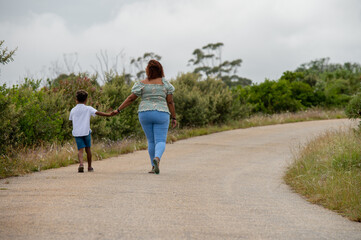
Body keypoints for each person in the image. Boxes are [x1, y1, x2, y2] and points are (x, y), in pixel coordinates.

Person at [112, 59, 176, 174]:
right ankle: (157, 158)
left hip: (145, 113)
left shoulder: (142, 84)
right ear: (161, 69)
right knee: (160, 140)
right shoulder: (166, 84)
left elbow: (131, 98)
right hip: (162, 113)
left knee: (151, 141)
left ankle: (153, 167)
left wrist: (118, 110)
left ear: (148, 70)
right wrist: (174, 117)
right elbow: (170, 102)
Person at [69, 90, 113, 173]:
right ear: (86, 99)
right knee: (88, 149)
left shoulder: (73, 110)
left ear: (76, 99)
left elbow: (71, 120)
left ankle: (81, 164)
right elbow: (98, 113)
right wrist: (109, 114)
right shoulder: (88, 108)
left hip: (77, 132)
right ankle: (89, 167)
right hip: (86, 131)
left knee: (80, 150)